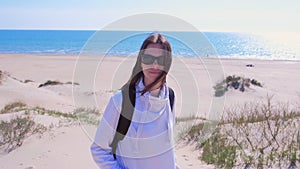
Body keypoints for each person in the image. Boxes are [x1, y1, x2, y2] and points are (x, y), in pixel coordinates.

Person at [91, 32, 177, 169]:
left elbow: (167, 150)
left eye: (161, 60)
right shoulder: (122, 100)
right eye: (148, 58)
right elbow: (99, 150)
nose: (155, 66)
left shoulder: (170, 97)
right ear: (140, 61)